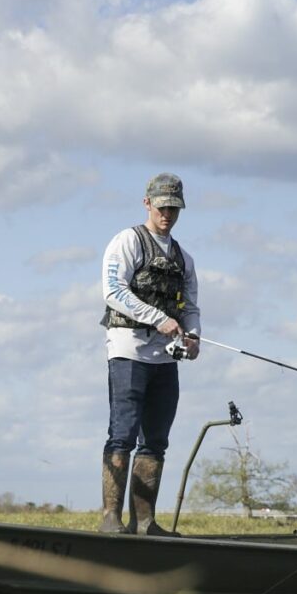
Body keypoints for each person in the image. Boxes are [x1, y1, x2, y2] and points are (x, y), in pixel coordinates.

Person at [99, 173, 200, 535]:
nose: (167, 214)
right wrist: (158, 318)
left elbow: (190, 307)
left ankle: (145, 521)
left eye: (174, 208)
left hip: (165, 360)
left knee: (156, 440)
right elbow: (113, 290)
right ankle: (111, 518)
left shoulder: (184, 258)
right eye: (161, 207)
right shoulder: (127, 241)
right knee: (122, 434)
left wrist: (194, 337)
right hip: (128, 351)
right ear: (147, 203)